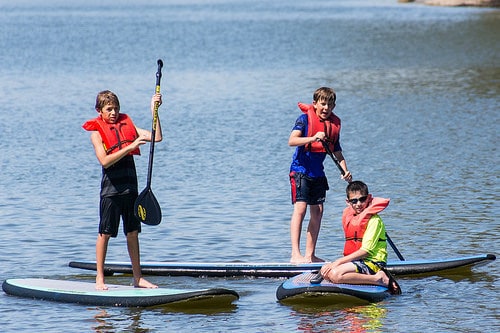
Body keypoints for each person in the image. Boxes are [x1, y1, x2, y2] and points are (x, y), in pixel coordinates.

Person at [82, 90, 163, 290]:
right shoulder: (97, 134)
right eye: (109, 109)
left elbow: (157, 137)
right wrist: (130, 147)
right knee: (105, 234)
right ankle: (100, 279)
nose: (113, 113)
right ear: (99, 111)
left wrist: (154, 110)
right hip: (111, 192)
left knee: (133, 233)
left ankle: (138, 278)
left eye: (116, 108)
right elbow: (105, 160)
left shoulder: (128, 126)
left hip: (131, 190)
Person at [288, 87, 352, 263]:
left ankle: (310, 255)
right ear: (315, 104)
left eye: (330, 105)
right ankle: (295, 254)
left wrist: (345, 171)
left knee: (318, 211)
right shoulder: (304, 120)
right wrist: (313, 138)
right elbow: (292, 141)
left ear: (334, 106)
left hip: (318, 173)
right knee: (300, 209)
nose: (326, 108)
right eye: (323, 104)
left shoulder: (333, 126)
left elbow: (338, 153)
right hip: (300, 170)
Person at [319, 181, 401, 294]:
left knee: (335, 274)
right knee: (326, 272)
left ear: (368, 198)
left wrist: (337, 262)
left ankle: (379, 278)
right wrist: (336, 264)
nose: (359, 204)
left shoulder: (374, 220)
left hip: (373, 262)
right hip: (358, 262)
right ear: (348, 202)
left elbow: (366, 251)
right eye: (354, 201)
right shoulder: (351, 218)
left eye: (362, 199)